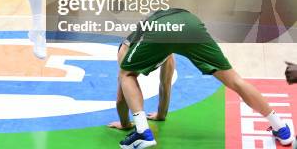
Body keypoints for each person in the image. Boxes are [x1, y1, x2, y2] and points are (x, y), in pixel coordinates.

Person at [110, 8, 295, 148]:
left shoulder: (127, 48)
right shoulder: (164, 50)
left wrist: (126, 124)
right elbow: (165, 84)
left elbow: (121, 98)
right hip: (190, 22)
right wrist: (161, 114)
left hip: (163, 27)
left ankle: (142, 131)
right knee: (235, 80)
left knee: (126, 74)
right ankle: (281, 128)